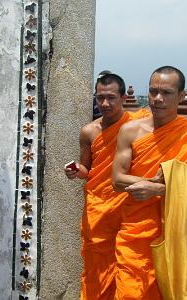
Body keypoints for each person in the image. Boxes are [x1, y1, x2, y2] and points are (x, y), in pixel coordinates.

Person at [112, 66, 187, 299]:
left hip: (177, 236)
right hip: (135, 234)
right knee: (129, 292)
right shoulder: (130, 131)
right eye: (153, 92)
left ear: (181, 96)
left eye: (167, 93)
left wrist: (159, 189)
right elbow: (117, 179)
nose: (157, 99)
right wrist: (151, 183)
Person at [64, 72, 150, 299]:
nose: (104, 103)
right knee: (97, 268)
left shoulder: (138, 125)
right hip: (99, 208)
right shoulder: (89, 131)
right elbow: (87, 169)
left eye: (111, 97)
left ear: (123, 98)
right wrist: (74, 170)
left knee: (130, 266)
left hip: (129, 207)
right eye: (100, 97)